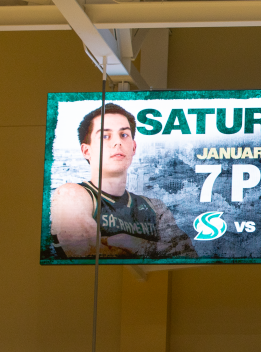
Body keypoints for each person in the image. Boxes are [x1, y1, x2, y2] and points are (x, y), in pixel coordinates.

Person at [50, 103, 196, 258]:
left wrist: (135, 244)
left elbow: (188, 257)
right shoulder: (70, 195)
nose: (117, 142)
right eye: (105, 136)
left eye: (124, 135)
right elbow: (87, 254)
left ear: (133, 147)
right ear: (86, 151)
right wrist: (154, 250)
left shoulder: (154, 208)